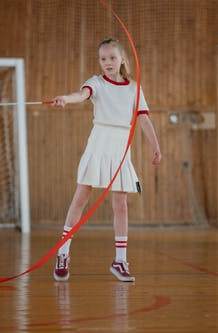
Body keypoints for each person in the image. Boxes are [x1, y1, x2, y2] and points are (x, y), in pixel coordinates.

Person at [51, 38, 161, 283]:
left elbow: (143, 118)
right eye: (103, 58)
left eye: (112, 57)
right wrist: (66, 99)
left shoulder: (134, 87)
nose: (108, 62)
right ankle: (63, 253)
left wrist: (155, 145)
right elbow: (81, 95)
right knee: (81, 198)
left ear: (122, 59)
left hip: (121, 147)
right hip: (99, 144)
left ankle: (120, 260)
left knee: (120, 205)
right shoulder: (96, 83)